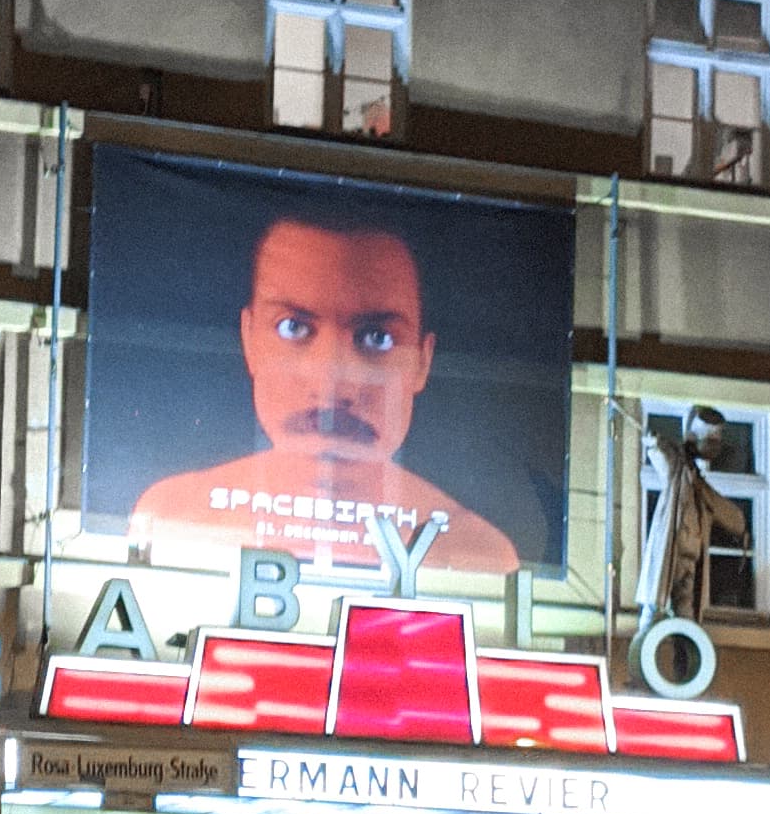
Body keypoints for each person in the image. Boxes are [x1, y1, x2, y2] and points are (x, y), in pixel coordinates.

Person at [127, 213, 518, 574]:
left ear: (423, 361)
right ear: (249, 341)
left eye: (377, 337)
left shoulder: (478, 552)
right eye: (293, 328)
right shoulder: (170, 514)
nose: (331, 384)